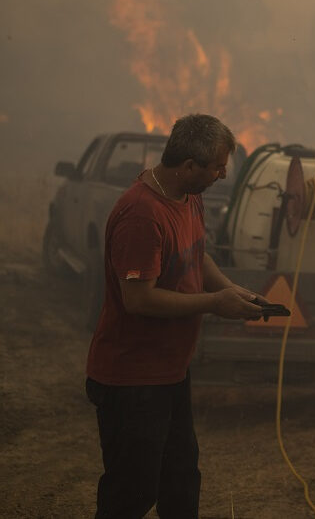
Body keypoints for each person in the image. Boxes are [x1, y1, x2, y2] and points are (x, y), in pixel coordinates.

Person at [85, 113, 265, 519]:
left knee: (181, 483)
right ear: (188, 166)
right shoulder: (141, 215)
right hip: (131, 377)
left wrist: (228, 290)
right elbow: (139, 299)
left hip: (170, 371)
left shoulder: (189, 196)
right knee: (131, 493)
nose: (222, 174)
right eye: (217, 167)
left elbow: (196, 256)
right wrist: (214, 304)